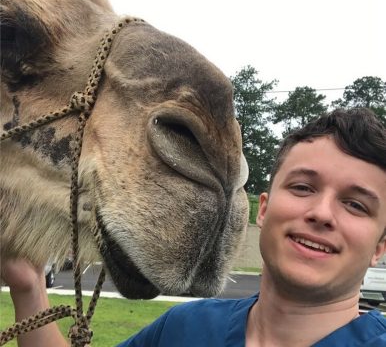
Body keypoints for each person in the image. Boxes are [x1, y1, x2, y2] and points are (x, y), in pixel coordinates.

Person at [3, 107, 386, 346]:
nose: (322, 213)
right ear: (263, 210)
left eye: (355, 204)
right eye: (303, 187)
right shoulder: (184, 328)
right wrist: (30, 286)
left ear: (380, 248)